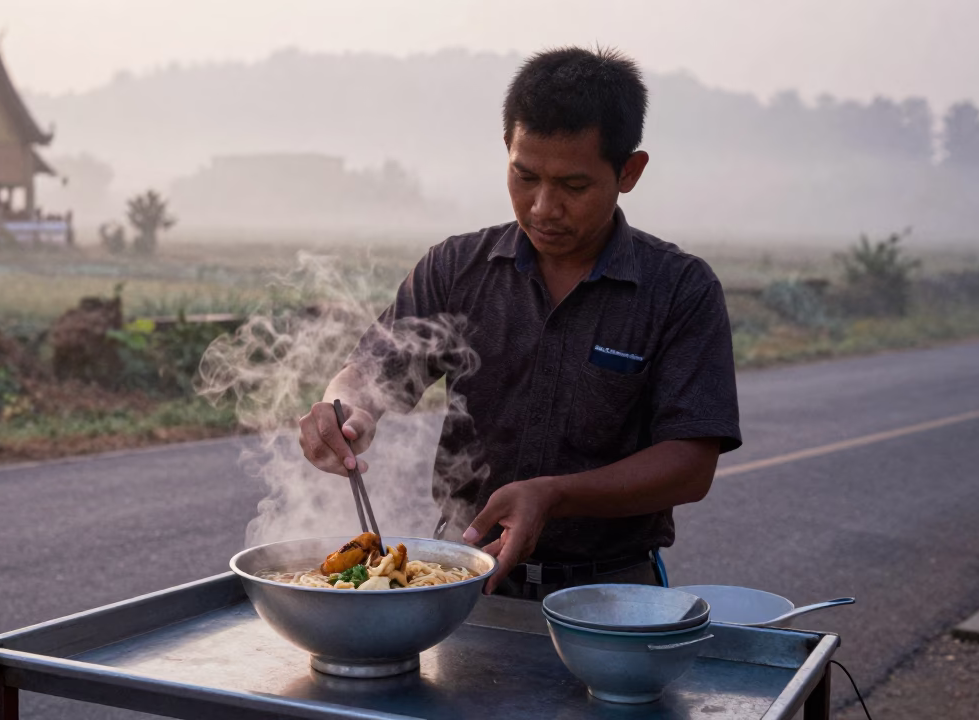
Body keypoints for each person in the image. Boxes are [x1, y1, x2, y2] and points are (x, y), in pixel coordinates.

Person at [296, 46, 742, 600]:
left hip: (613, 594)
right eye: (524, 176)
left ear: (629, 171)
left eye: (573, 187)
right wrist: (344, 410)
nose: (542, 208)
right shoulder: (458, 269)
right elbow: (368, 373)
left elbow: (690, 465)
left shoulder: (678, 289)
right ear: (506, 149)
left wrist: (554, 495)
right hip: (462, 582)